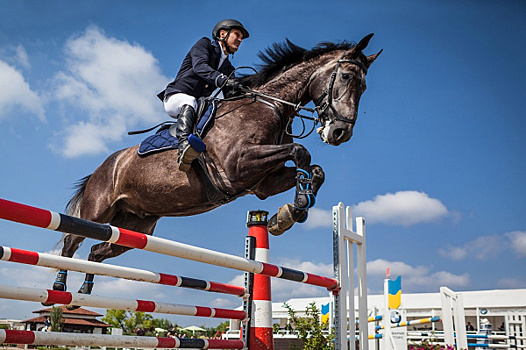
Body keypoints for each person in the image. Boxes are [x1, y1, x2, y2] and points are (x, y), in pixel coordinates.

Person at [158, 19, 249, 172]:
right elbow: (200, 67)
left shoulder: (228, 67)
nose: (240, 40)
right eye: (237, 34)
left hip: (198, 105)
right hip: (176, 97)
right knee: (190, 101)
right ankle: (184, 147)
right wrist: (223, 80)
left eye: (241, 37)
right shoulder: (204, 44)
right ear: (223, 33)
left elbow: (230, 97)